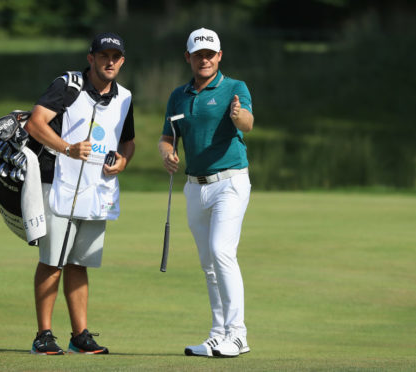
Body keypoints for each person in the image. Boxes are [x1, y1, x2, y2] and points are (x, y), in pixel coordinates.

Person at [24, 32, 135, 355]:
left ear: (122, 61)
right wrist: (67, 149)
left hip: (97, 191)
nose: (110, 61)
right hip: (58, 183)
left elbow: (127, 139)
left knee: (79, 262)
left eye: (116, 56)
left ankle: (79, 336)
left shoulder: (125, 97)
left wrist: (124, 160)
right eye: (104, 56)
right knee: (52, 261)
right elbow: (36, 123)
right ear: (91, 59)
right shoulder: (68, 85)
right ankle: (43, 335)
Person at [158, 27, 254, 358]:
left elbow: (248, 123)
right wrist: (167, 152)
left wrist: (238, 115)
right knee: (208, 263)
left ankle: (238, 335)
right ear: (188, 57)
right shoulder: (178, 96)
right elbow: (167, 136)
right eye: (198, 55)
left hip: (229, 182)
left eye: (210, 54)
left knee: (221, 251)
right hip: (193, 187)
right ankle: (218, 333)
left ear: (219, 56)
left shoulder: (234, 88)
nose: (205, 59)